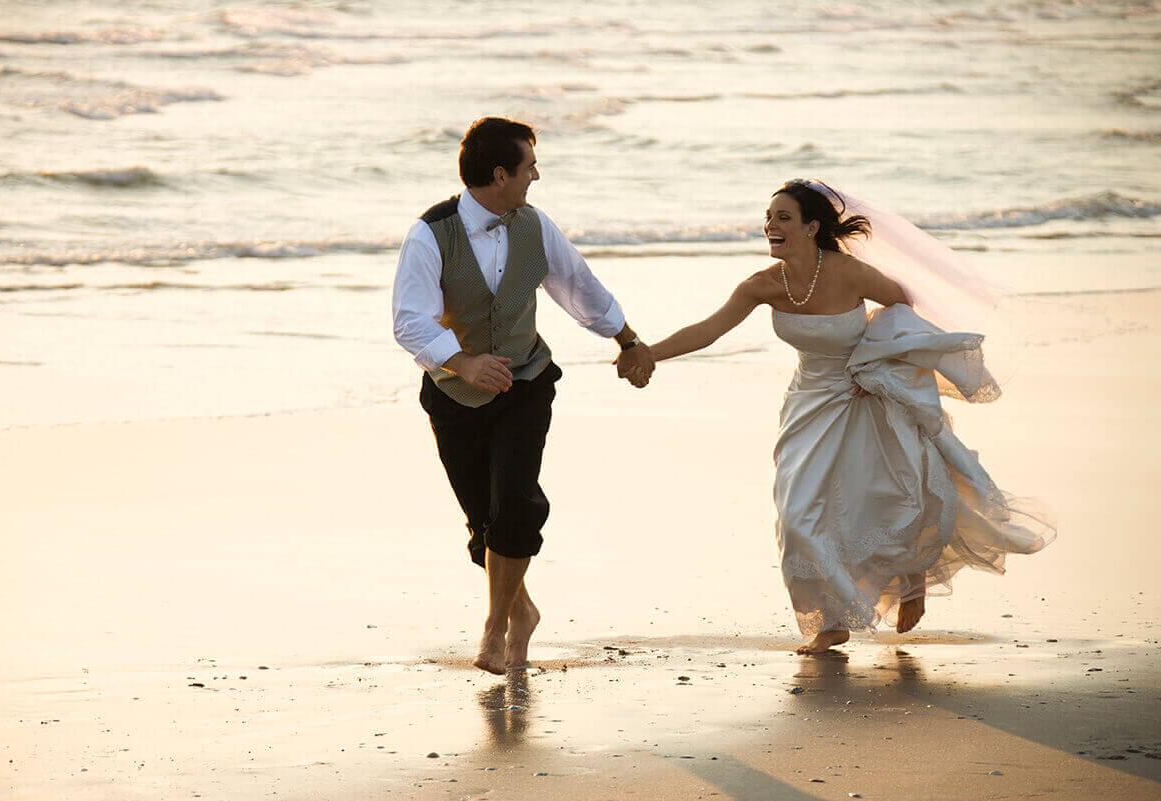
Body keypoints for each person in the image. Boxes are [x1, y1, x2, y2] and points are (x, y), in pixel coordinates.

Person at [648, 179, 1055, 654]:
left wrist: (879, 359)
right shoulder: (762, 285)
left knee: (886, 497)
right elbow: (709, 330)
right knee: (797, 513)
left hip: (864, 394)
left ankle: (911, 580)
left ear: (811, 227)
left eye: (783, 217)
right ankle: (832, 620)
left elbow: (901, 304)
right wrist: (648, 354)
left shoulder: (850, 272)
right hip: (807, 403)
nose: (770, 226)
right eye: (768, 217)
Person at [392, 117, 655, 674]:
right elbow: (408, 320)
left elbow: (577, 285)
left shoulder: (535, 225)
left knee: (516, 503)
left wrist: (628, 341)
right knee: (483, 526)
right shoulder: (429, 234)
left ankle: (493, 632)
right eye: (529, 165)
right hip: (451, 395)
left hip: (526, 383)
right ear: (499, 174)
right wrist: (461, 361)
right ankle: (523, 611)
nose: (536, 174)